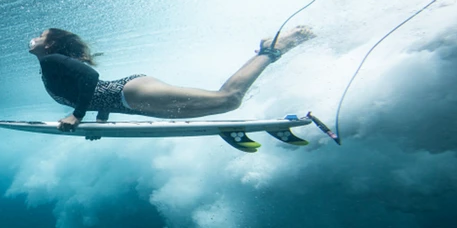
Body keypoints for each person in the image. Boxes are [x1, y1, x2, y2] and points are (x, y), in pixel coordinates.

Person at [28, 26, 314, 133]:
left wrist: (77, 116)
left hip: (134, 94)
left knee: (228, 100)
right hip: (131, 99)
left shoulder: (51, 61)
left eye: (41, 36)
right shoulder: (52, 63)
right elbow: (92, 91)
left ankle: (271, 49)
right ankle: (266, 57)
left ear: (51, 46)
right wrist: (100, 121)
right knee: (226, 104)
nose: (34, 38)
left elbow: (92, 77)